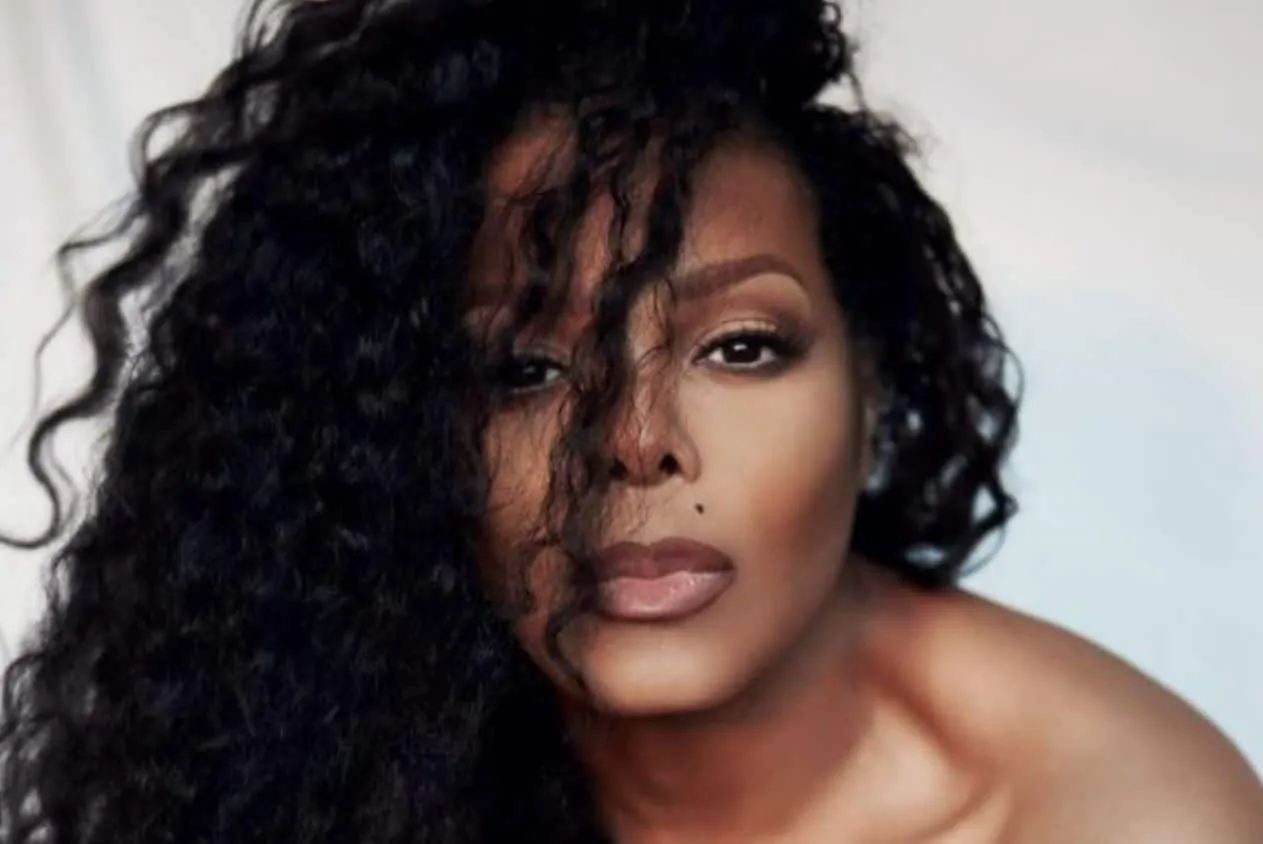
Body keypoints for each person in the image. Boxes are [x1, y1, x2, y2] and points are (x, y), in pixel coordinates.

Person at [1, 0, 1260, 841]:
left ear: (872, 378)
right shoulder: (368, 750)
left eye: (740, 346)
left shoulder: (1114, 817)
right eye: (526, 370)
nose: (632, 440)